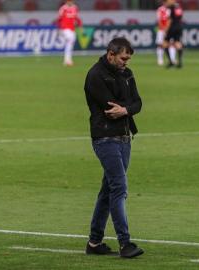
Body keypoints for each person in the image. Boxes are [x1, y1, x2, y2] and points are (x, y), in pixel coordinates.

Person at [84, 37, 144, 258]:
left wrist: (126, 110)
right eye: (123, 58)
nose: (126, 63)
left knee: (108, 190)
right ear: (111, 54)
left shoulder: (126, 73)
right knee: (119, 187)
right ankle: (125, 243)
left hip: (124, 136)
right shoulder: (95, 75)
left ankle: (94, 242)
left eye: (128, 59)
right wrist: (127, 107)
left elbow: (137, 103)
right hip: (105, 137)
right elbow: (111, 106)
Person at [57, 0, 82, 66]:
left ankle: (67, 60)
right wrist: (59, 28)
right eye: (69, 1)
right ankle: (68, 60)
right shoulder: (63, 8)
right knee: (70, 40)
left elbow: (76, 18)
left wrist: (79, 25)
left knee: (69, 44)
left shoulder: (75, 8)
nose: (70, 2)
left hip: (72, 28)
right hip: (65, 28)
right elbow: (59, 19)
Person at [163, 0, 184, 68]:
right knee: (178, 43)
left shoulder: (170, 8)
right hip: (179, 26)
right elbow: (181, 17)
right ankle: (180, 62)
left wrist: (166, 30)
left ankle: (171, 61)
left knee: (165, 44)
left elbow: (170, 20)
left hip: (172, 28)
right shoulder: (178, 7)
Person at [156, 0, 171, 66]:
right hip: (161, 30)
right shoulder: (160, 10)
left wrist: (167, 29)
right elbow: (159, 20)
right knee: (160, 44)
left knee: (170, 44)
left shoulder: (170, 10)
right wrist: (163, 29)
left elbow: (171, 20)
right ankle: (160, 59)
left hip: (169, 30)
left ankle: (171, 59)